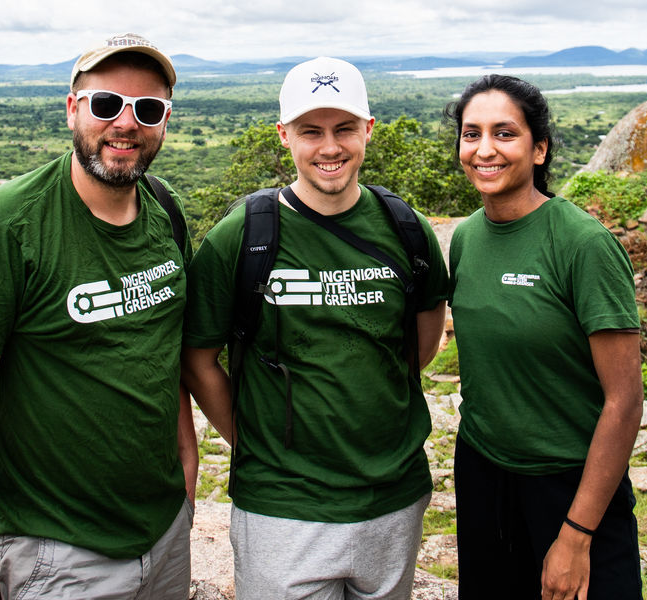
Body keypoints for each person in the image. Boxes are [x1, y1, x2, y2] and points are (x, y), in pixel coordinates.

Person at [0, 33, 196, 600]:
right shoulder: (6, 226)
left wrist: (187, 468)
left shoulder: (166, 210)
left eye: (147, 109)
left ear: (166, 121)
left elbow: (161, 355)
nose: (126, 122)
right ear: (73, 108)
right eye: (106, 104)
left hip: (166, 531)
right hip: (58, 550)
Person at [181, 56, 449, 600]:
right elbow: (198, 357)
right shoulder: (246, 234)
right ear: (284, 136)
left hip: (393, 497)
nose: (330, 147)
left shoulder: (405, 229)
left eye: (345, 128)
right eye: (311, 131)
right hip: (283, 507)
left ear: (368, 130)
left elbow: (420, 343)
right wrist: (251, 440)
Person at [446, 74, 643, 600]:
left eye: (505, 133)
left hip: (571, 484)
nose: (485, 150)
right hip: (485, 473)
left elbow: (624, 401)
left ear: (539, 148)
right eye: (471, 134)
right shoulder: (465, 238)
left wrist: (576, 535)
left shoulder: (583, 245)